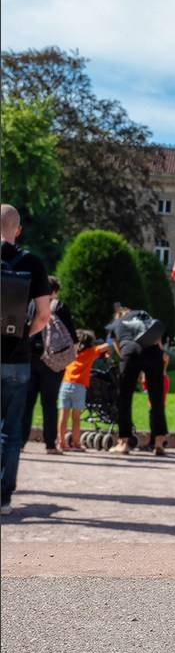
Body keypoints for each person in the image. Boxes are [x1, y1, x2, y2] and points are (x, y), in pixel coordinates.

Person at [1, 204, 52, 516]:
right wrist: (25, 335)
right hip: (17, 359)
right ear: (18, 229)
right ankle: (3, 497)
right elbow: (44, 315)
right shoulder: (32, 262)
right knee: (11, 431)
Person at [21, 276, 77, 455]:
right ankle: (50, 445)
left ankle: (21, 442)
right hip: (52, 363)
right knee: (49, 403)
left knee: (27, 402)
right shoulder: (59, 307)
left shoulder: (30, 304)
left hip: (30, 358)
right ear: (55, 291)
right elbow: (73, 338)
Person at [105, 306, 169, 456]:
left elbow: (117, 345)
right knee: (157, 398)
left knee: (124, 398)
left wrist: (127, 359)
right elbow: (158, 337)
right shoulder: (143, 316)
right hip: (152, 351)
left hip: (129, 351)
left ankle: (124, 443)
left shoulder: (117, 323)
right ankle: (159, 441)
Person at [56, 329, 112, 452]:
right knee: (76, 417)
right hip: (79, 387)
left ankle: (61, 442)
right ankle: (75, 443)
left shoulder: (70, 352)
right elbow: (107, 345)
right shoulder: (90, 352)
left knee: (63, 416)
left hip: (65, 385)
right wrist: (108, 350)